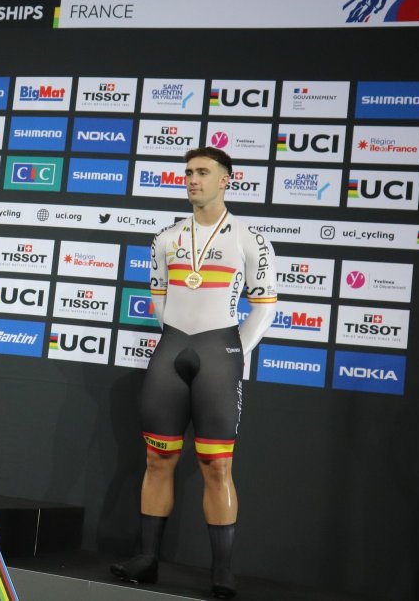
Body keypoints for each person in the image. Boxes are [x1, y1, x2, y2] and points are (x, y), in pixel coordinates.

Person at [110, 147, 278, 599]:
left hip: (218, 353)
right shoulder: (166, 238)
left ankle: (222, 571)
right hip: (171, 349)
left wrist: (233, 351)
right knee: (157, 459)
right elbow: (159, 299)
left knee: (216, 466)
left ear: (226, 180)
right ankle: (147, 559)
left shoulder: (250, 239)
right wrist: (177, 337)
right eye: (187, 172)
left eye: (202, 172)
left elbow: (265, 306)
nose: (192, 179)